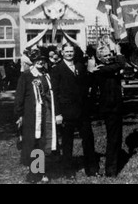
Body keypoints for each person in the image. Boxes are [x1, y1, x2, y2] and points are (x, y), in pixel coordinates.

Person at [50, 42, 99, 177]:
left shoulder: (80, 66)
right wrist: (58, 113)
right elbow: (55, 92)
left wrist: (91, 72)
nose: (69, 54)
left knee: (88, 139)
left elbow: (86, 85)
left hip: (82, 110)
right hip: (66, 111)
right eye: (67, 52)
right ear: (62, 53)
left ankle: (92, 169)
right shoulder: (56, 69)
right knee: (67, 143)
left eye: (71, 51)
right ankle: (68, 171)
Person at [14, 50, 62, 183]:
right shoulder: (26, 76)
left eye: (43, 59)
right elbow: (19, 97)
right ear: (33, 61)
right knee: (33, 142)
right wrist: (19, 115)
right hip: (31, 115)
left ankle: (43, 171)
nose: (40, 62)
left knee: (44, 141)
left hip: (47, 113)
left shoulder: (47, 75)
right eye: (37, 60)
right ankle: (35, 173)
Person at [92, 43, 125, 177]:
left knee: (117, 137)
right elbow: (120, 64)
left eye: (109, 55)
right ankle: (111, 170)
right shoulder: (101, 69)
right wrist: (118, 52)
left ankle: (113, 166)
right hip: (110, 109)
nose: (108, 57)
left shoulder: (107, 68)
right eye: (105, 56)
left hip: (116, 107)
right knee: (113, 138)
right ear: (99, 58)